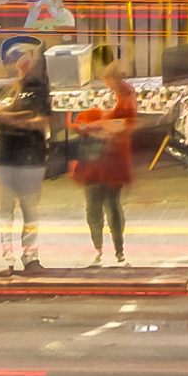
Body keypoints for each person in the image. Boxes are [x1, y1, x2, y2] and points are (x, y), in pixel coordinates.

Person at [70, 45, 137, 267]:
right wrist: (90, 124)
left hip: (112, 159)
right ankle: (99, 249)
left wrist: (97, 124)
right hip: (95, 159)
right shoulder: (110, 95)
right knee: (94, 206)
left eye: (109, 79)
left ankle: (118, 251)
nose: (107, 83)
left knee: (111, 205)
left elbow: (124, 124)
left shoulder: (126, 95)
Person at [0, 46, 52, 276]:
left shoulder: (39, 88)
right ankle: (7, 259)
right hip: (4, 155)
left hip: (30, 155)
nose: (20, 62)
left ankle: (31, 257)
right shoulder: (2, 88)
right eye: (15, 59)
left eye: (24, 57)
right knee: (6, 211)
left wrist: (13, 118)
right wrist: (20, 115)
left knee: (30, 209)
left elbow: (41, 119)